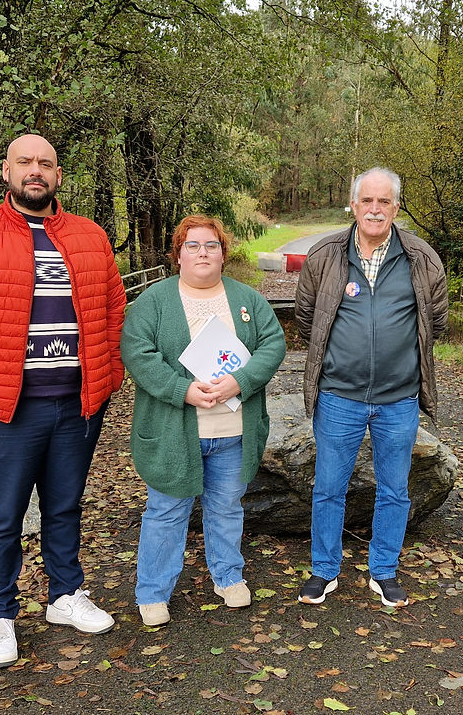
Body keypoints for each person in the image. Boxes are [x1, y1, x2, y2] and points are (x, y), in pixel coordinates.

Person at [0, 134, 126, 669]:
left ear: (58, 175)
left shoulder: (89, 235)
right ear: (6, 170)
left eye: (46, 164)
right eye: (25, 163)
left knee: (64, 504)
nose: (36, 171)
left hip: (76, 405)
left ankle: (64, 595)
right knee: (3, 516)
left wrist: (107, 382)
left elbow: (113, 312)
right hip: (2, 409)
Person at [121, 215, 286, 626]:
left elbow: (273, 344)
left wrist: (239, 382)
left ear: (223, 253)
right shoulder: (153, 303)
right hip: (175, 431)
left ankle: (228, 576)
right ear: (178, 254)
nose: (202, 252)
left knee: (227, 506)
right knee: (166, 509)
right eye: (192, 245)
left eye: (211, 245)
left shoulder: (247, 300)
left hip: (232, 432)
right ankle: (154, 591)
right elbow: (137, 354)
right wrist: (183, 391)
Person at [295, 167, 448, 608]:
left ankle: (383, 570)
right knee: (328, 486)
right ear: (354, 205)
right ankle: (324, 571)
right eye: (367, 201)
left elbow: (433, 323)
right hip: (338, 396)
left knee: (395, 488)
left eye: (384, 201)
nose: (375, 209)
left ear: (396, 207)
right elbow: (309, 318)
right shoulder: (326, 254)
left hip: (399, 399)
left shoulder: (421, 258)